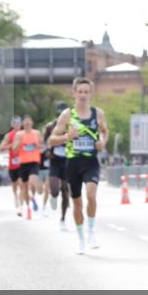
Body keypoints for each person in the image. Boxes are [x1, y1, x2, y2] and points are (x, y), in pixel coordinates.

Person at [48, 78, 110, 254]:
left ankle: (91, 232)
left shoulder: (98, 114)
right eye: (79, 91)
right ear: (74, 93)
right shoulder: (67, 115)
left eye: (86, 91)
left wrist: (102, 142)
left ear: (91, 93)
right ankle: (81, 239)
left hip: (90, 162)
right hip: (73, 163)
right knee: (77, 203)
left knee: (91, 196)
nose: (83, 95)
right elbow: (51, 140)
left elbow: (105, 131)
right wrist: (67, 136)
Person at [43, 102, 72, 230]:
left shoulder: (73, 126)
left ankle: (63, 219)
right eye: (59, 113)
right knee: (55, 189)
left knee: (65, 190)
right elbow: (45, 142)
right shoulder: (50, 126)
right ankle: (53, 196)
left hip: (67, 160)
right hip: (55, 160)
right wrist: (48, 151)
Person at [13, 115, 43, 219]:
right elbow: (14, 149)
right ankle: (27, 206)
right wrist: (19, 141)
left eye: (28, 122)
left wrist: (36, 145)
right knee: (24, 187)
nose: (27, 124)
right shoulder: (19, 134)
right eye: (25, 123)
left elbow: (41, 146)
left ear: (32, 123)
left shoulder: (36, 133)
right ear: (22, 124)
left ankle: (32, 197)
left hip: (34, 162)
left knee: (32, 183)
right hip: (23, 163)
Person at [0, 116, 24, 216]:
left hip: (23, 162)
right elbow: (1, 148)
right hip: (13, 164)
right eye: (15, 123)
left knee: (22, 184)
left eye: (18, 123)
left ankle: (20, 207)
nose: (17, 125)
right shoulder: (9, 135)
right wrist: (13, 144)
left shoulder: (24, 134)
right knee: (15, 185)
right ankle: (15, 197)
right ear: (12, 125)